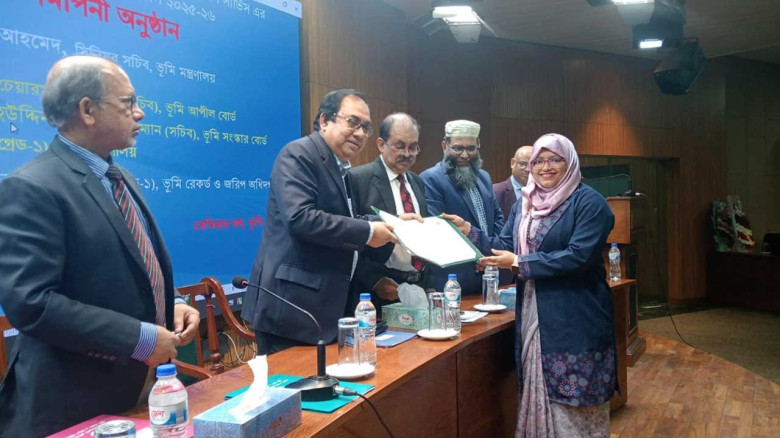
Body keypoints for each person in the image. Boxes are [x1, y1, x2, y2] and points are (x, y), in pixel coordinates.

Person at [0, 56, 200, 437]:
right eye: (128, 103)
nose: (139, 113)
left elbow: (132, 265)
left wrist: (172, 303)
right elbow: (32, 303)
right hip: (74, 403)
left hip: (139, 393)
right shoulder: (32, 186)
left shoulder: (120, 177)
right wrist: (139, 339)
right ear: (87, 111)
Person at [451, 133, 617, 437]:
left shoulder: (590, 203)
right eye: (538, 161)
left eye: (555, 159)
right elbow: (504, 245)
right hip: (534, 311)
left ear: (570, 162)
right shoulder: (525, 204)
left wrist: (519, 263)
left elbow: (578, 256)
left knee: (575, 400)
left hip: (576, 316)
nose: (545, 167)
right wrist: (469, 231)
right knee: (541, 390)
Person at [241, 90, 418, 355]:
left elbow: (347, 219)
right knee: (293, 383)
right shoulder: (298, 154)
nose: (360, 133)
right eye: (353, 122)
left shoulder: (340, 168)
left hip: (324, 309)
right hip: (291, 311)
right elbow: (301, 218)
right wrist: (369, 231)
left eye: (365, 127)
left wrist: (390, 222)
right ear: (325, 120)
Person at [350, 113, 429, 314]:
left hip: (416, 286)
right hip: (375, 292)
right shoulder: (358, 179)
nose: (407, 153)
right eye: (399, 146)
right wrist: (374, 280)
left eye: (413, 147)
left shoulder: (417, 182)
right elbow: (349, 236)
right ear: (380, 144)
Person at [420, 119, 505, 293]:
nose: (465, 155)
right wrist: (478, 258)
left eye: (471, 148)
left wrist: (490, 256)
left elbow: (498, 220)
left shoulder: (484, 177)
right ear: (444, 145)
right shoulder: (431, 179)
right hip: (453, 280)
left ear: (478, 145)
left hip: (490, 274)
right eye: (458, 148)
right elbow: (440, 231)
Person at [493, 145, 533, 218]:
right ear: (512, 163)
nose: (528, 169)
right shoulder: (495, 192)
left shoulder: (544, 193)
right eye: (523, 164)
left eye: (532, 165)